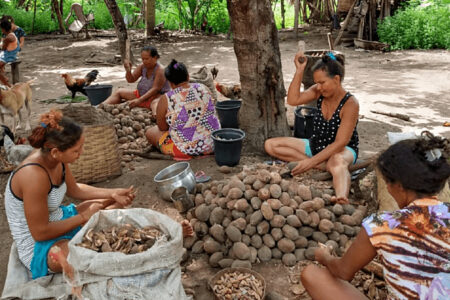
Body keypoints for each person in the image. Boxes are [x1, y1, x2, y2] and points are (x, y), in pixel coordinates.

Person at [300, 135, 450, 299]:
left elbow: (343, 272)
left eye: (388, 182)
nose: (387, 187)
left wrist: (325, 258)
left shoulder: (382, 224)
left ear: (399, 186)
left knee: (312, 275)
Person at [4, 110, 136, 280]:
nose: (81, 153)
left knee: (115, 204)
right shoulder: (33, 176)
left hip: (59, 219)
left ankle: (86, 232)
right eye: (76, 150)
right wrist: (83, 217)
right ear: (55, 152)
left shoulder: (58, 160)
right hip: (38, 244)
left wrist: (113, 193)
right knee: (71, 255)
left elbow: (75, 190)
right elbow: (40, 233)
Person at [264, 52, 359, 204]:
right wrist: (299, 70)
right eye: (317, 83)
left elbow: (341, 142)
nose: (319, 87)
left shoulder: (351, 103)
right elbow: (293, 100)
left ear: (336, 79)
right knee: (270, 145)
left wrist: (310, 163)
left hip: (343, 149)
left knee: (337, 160)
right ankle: (325, 165)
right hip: (317, 145)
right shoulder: (318, 91)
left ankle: (341, 196)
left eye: (322, 82)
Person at [145, 59, 220, 159]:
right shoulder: (203, 87)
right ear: (188, 76)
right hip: (215, 144)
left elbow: (163, 128)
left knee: (150, 132)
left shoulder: (166, 98)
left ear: (170, 83)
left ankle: (187, 152)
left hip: (187, 150)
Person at [103, 45, 170, 115]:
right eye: (143, 59)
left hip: (157, 97)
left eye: (147, 59)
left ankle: (157, 118)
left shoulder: (160, 70)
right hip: (142, 95)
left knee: (155, 104)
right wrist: (128, 71)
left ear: (155, 58)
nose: (144, 61)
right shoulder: (142, 67)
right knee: (119, 92)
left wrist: (139, 100)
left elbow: (155, 89)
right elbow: (131, 80)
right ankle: (100, 107)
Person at [0, 19, 20, 87]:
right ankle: (5, 79)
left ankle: (8, 85)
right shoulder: (12, 34)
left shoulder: (8, 38)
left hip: (9, 56)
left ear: (3, 29)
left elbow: (3, 48)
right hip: (9, 54)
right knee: (1, 68)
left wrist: (3, 43)